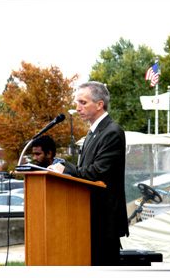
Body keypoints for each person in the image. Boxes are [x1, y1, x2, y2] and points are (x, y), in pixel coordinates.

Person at [49, 81, 129, 266]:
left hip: (103, 221)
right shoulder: (93, 132)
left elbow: (98, 172)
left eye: (83, 103)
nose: (77, 108)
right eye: (77, 103)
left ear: (99, 104)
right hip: (88, 217)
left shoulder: (112, 132)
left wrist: (64, 167)